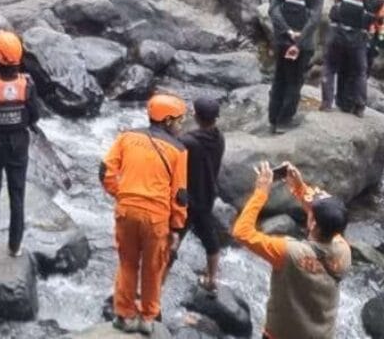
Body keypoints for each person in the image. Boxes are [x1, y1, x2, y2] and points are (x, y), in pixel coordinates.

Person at [100, 93, 189, 335]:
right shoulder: (178, 150)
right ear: (168, 120)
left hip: (126, 211)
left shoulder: (127, 137)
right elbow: (180, 195)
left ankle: (124, 315)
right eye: (179, 120)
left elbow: (105, 171)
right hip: (156, 218)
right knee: (153, 267)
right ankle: (148, 318)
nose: (181, 125)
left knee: (127, 263)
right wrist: (177, 227)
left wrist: (120, 194)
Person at [232, 161, 350, 339]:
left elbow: (241, 232)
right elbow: (322, 217)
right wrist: (299, 187)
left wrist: (261, 193)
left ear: (312, 223)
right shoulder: (344, 249)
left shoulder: (288, 252)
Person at [0, 31, 40, 257]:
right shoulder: (28, 84)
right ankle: (15, 246)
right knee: (17, 193)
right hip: (19, 143)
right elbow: (35, 115)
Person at [268, 0, 324, 133]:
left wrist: (287, 32)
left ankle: (273, 117)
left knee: (279, 78)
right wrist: (298, 41)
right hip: (303, 45)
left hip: (282, 41)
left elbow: (273, 10)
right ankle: (284, 121)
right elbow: (315, 19)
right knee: (294, 82)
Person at [322, 0, 383, 116]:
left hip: (336, 33)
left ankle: (326, 103)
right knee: (360, 72)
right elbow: (377, 18)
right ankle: (359, 107)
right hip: (358, 38)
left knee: (329, 68)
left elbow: (336, 1)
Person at [182, 96, 225, 292]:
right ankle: (212, 278)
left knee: (173, 237)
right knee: (210, 238)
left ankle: (159, 277)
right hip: (207, 195)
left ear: (196, 116)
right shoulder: (219, 138)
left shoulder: (188, 142)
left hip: (187, 198)